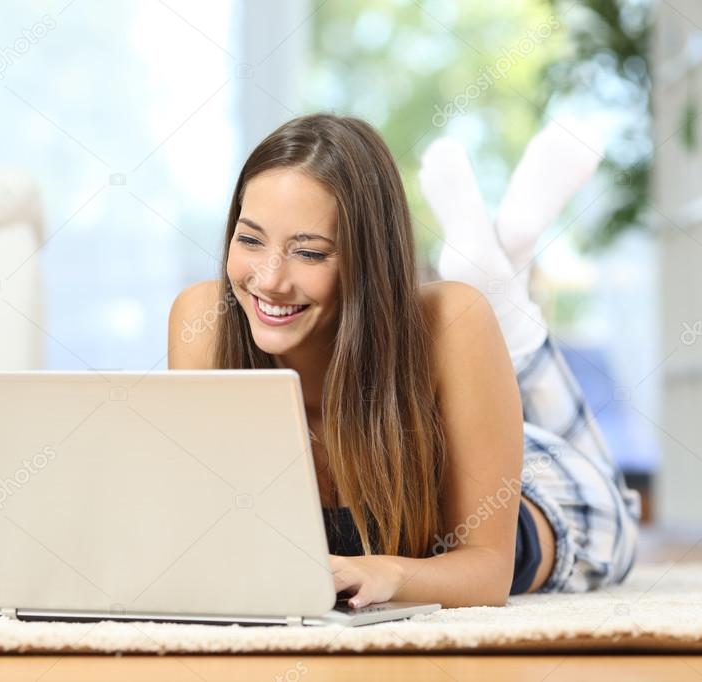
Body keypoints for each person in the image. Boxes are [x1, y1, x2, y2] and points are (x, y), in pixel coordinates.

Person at [167, 113, 641, 609]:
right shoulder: (205, 321)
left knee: (618, 504)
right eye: (250, 239)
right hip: (466, 431)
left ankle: (507, 292)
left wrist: (391, 573)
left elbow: (488, 571)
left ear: (369, 260)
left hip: (554, 493)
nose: (269, 280)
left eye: (308, 253)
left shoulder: (453, 321)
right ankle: (506, 264)